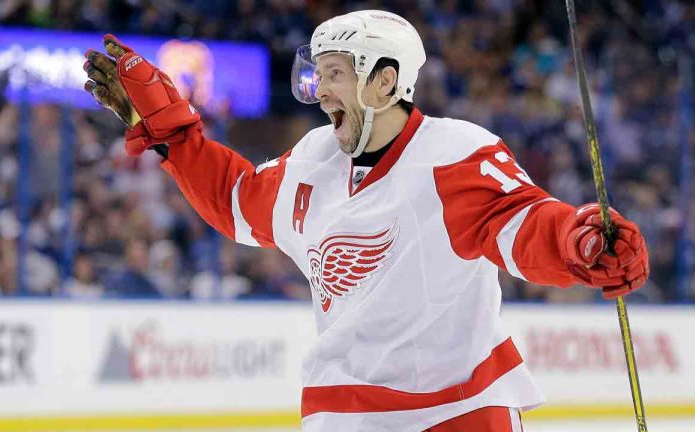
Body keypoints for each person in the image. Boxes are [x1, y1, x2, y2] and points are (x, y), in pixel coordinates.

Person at [83, 10, 649, 432]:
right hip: (344, 411)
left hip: (460, 410)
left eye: (336, 73)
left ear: (385, 81)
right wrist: (176, 134)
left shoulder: (452, 154)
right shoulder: (311, 161)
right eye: (318, 74)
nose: (321, 89)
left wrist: (580, 243)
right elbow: (237, 201)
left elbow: (524, 224)